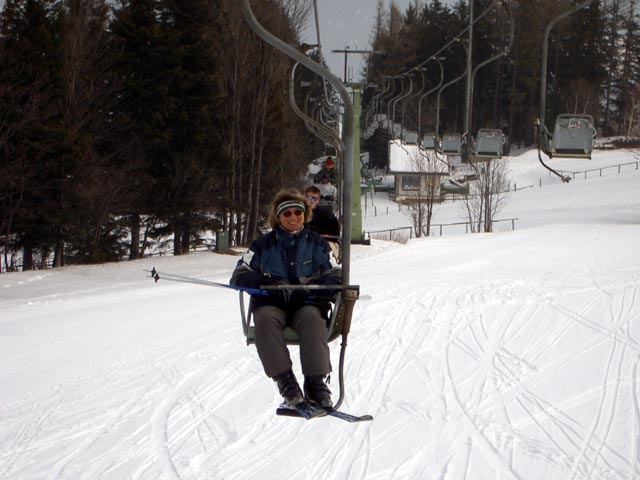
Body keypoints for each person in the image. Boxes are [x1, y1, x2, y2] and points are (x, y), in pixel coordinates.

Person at [230, 188, 342, 409]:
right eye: (287, 213)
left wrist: (321, 289)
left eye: (297, 212)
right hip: (273, 303)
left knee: (312, 320)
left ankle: (315, 382)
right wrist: (261, 282)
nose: (293, 217)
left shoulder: (318, 244)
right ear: (278, 217)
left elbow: (335, 272)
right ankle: (286, 382)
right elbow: (239, 274)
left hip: (306, 304)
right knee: (265, 320)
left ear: (304, 214)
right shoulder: (262, 245)